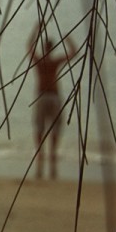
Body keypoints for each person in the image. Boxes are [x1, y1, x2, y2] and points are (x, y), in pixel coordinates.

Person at [28, 24, 76, 179]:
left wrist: (36, 30)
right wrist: (68, 39)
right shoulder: (47, 62)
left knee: (42, 129)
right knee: (45, 128)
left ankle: (44, 161)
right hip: (49, 96)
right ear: (52, 48)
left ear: (45, 48)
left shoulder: (44, 62)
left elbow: (29, 47)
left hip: (45, 96)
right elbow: (73, 53)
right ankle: (47, 161)